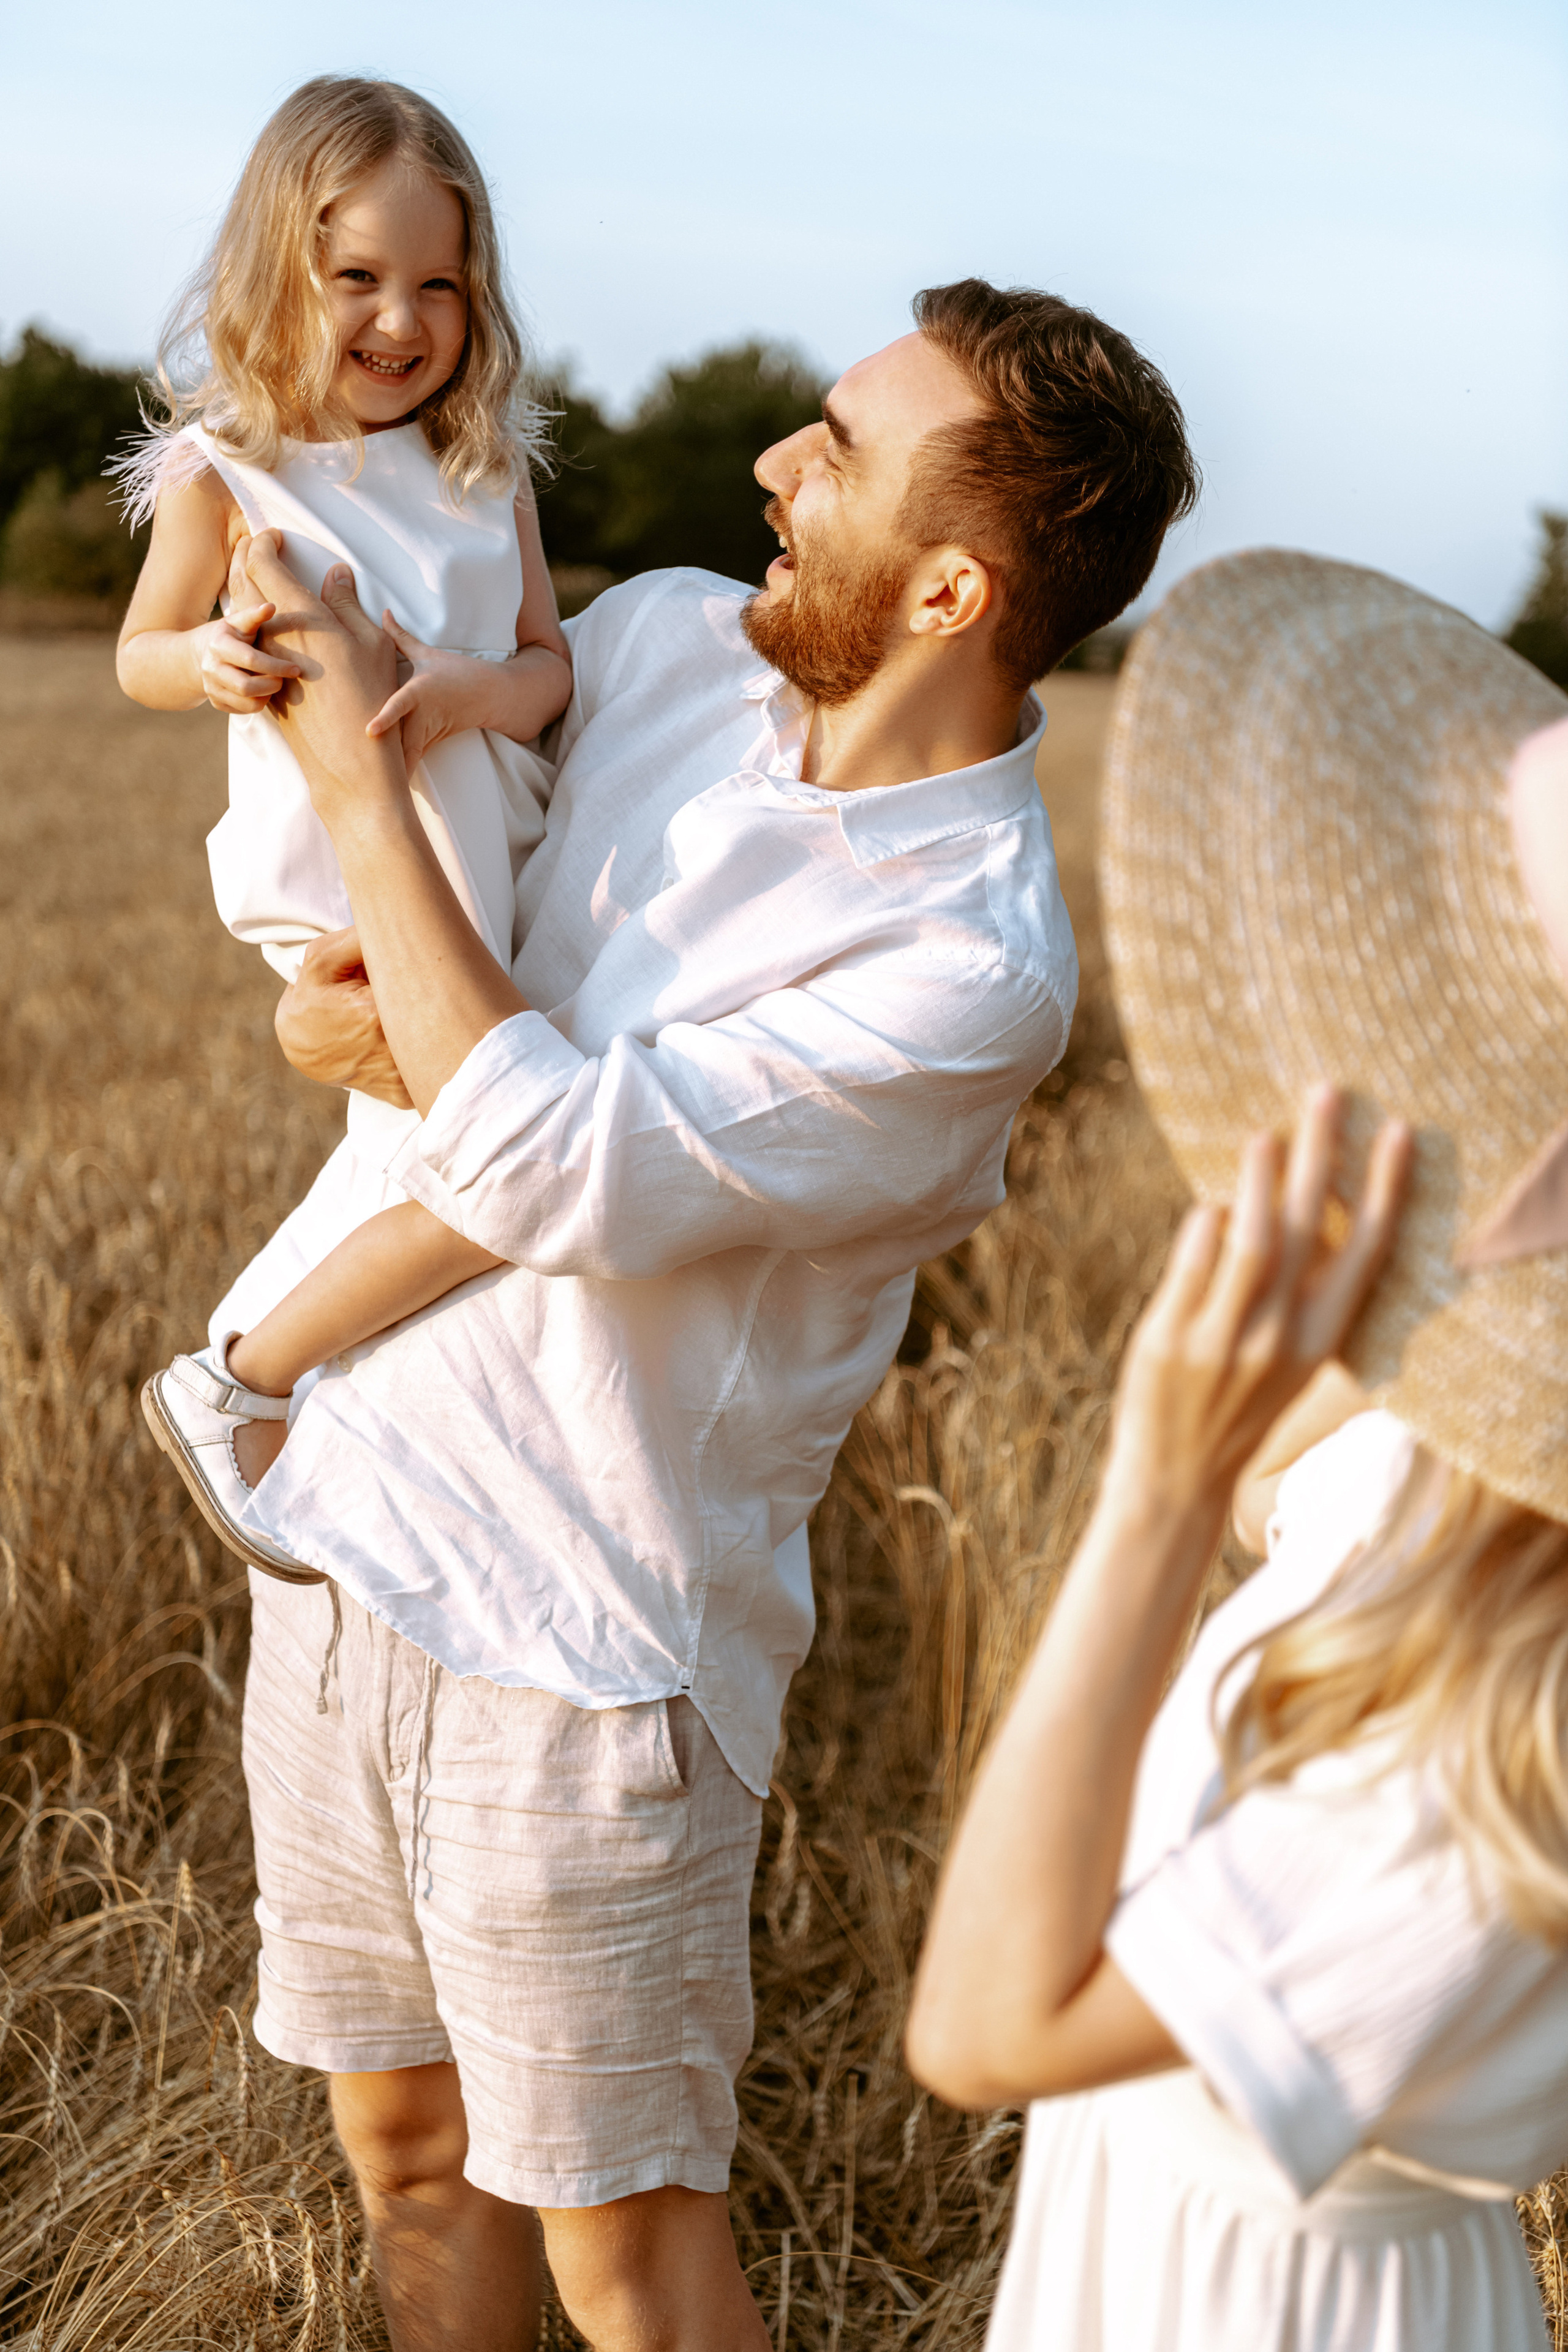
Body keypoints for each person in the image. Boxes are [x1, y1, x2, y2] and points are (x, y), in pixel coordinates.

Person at [173, 282, 1198, 2351]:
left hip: (587, 1651)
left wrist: (355, 778)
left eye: (836, 448)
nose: (772, 467)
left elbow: (551, 1163)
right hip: (346, 1528)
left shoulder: (969, 969)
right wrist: (331, 1008)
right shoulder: (653, 644)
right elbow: (426, 958)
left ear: (949, 589)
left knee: (627, 2258)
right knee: (402, 2152)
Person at [906, 549, 1568, 2352]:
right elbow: (1316, 1488)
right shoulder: (1462, 1481)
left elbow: (982, 2030)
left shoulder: (1500, 1747)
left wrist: (1157, 1490)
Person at [112, 76, 571, 1575]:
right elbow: (139, 654)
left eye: (440, 285)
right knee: (498, 1164)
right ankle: (255, 1383)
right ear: (276, 272)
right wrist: (208, 659)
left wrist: (466, 690)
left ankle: (293, 1396)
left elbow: (548, 670)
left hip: (504, 869)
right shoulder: (229, 472)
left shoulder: (485, 470)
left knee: (491, 1167)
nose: (400, 319)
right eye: (359, 277)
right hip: (350, 887)